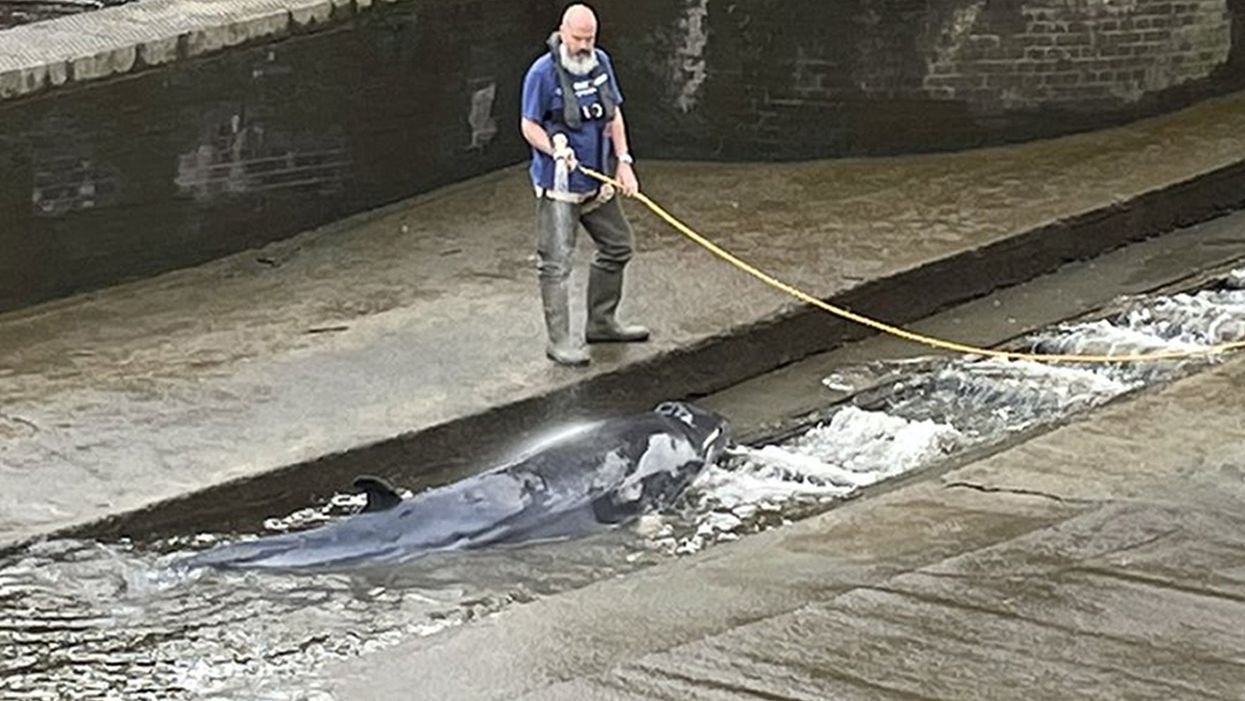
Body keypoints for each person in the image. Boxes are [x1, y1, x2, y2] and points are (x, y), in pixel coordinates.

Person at [520, 3, 649, 367]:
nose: (583, 45)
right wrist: (554, 149)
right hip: (559, 186)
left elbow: (614, 114)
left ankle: (602, 321)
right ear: (563, 32)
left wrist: (623, 162)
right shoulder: (542, 74)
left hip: (597, 179)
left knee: (618, 245)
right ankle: (559, 341)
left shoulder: (600, 63)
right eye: (578, 38)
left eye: (589, 38)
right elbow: (528, 125)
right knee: (555, 262)